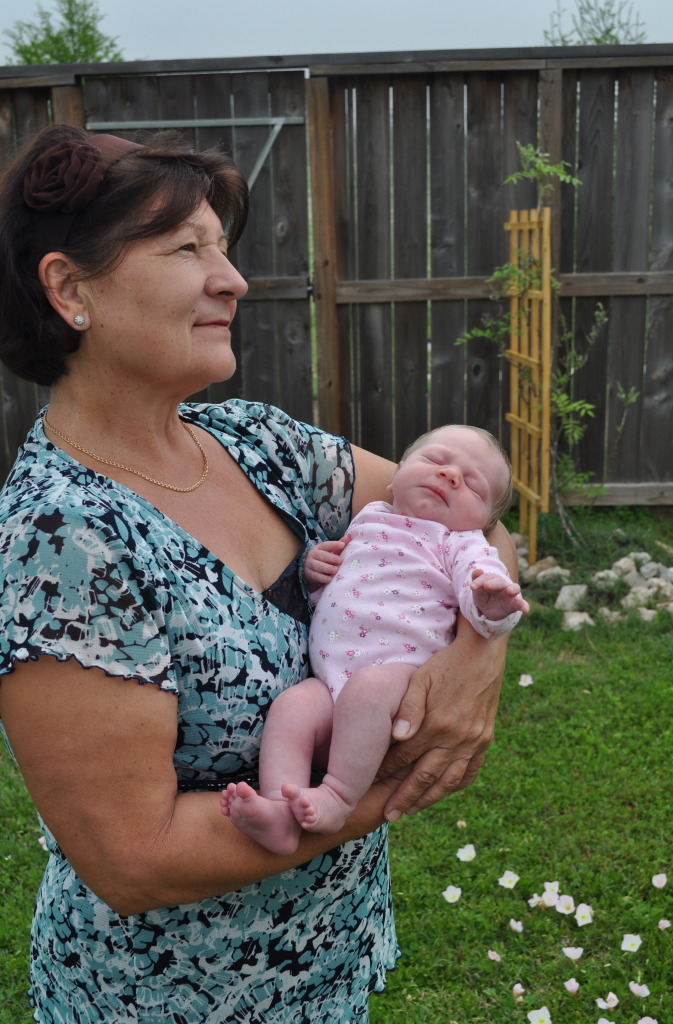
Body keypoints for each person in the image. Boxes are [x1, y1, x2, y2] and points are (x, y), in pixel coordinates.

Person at [0, 124, 516, 1024]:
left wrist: (477, 662)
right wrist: (375, 787)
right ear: (70, 288)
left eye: (224, 247)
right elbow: (136, 858)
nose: (233, 279)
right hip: (171, 1001)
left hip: (331, 958)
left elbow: (478, 525)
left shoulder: (257, 442)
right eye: (186, 248)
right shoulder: (63, 537)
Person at [221, 424, 529, 854]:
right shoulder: (369, 516)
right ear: (394, 476)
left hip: (397, 679)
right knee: (292, 707)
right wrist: (316, 570)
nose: (450, 475)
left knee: (366, 690)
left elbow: (482, 587)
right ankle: (278, 810)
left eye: (473, 486)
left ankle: (337, 797)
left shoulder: (460, 544)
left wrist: (493, 600)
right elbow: (346, 587)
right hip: (330, 680)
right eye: (435, 460)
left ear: (485, 523)